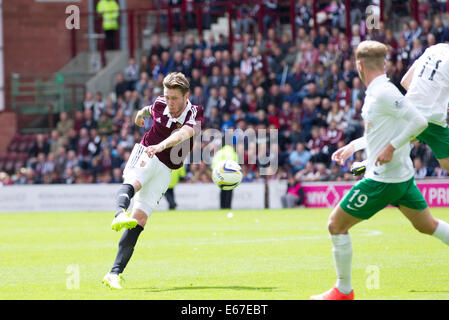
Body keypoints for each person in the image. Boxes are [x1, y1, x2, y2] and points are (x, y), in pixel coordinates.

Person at [310, 41, 449, 300]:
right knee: (427, 225)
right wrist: (354, 146)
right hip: (404, 177)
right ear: (384, 64)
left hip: (383, 181)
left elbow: (415, 110)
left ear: (358, 65)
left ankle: (343, 291)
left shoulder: (385, 92)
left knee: (335, 225)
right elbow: (384, 130)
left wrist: (391, 146)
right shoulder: (379, 92)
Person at [103, 72, 204, 289]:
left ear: (186, 96)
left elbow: (183, 134)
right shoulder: (160, 103)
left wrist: (162, 145)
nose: (169, 102)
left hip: (166, 168)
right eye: (167, 97)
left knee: (140, 220)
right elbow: (148, 110)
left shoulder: (194, 112)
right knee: (135, 182)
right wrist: (140, 115)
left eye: (174, 98)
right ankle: (119, 213)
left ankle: (114, 274)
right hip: (147, 152)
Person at [398, 43, 449, 172]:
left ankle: (368, 162)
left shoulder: (430, 51)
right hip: (434, 120)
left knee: (400, 140)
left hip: (410, 112)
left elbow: (405, 81)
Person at [211, 143, 238, 210]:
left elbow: (214, 164)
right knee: (229, 191)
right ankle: (228, 207)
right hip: (231, 176)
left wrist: (217, 173)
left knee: (222, 190)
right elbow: (236, 165)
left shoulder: (219, 152)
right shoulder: (233, 153)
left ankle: (222, 207)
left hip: (221, 175)